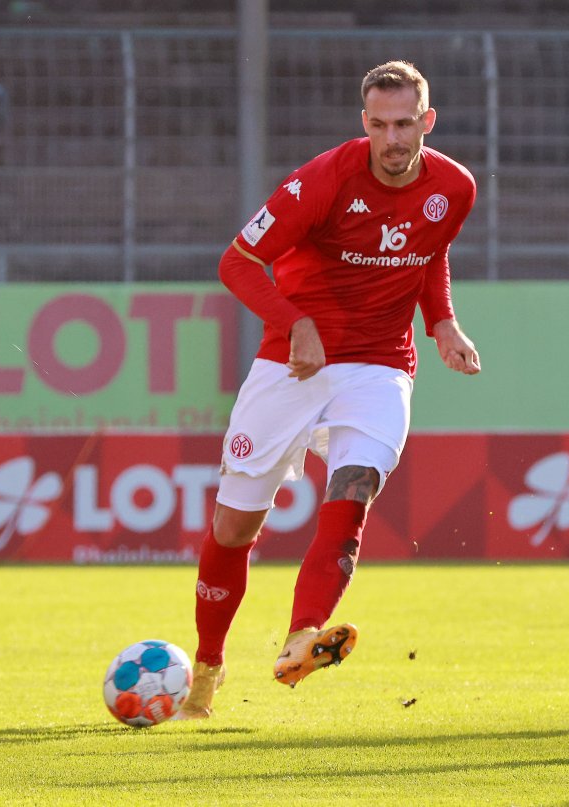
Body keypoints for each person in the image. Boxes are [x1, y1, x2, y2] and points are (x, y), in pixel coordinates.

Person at [176, 61, 481, 720]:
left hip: (380, 363)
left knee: (354, 488)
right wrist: (296, 323)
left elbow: (430, 254)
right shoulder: (324, 180)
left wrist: (442, 321)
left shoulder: (454, 187)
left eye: (406, 124)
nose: (393, 139)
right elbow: (237, 261)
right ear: (364, 122)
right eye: (380, 124)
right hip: (293, 363)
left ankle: (302, 635)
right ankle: (207, 663)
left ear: (428, 122)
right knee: (234, 526)